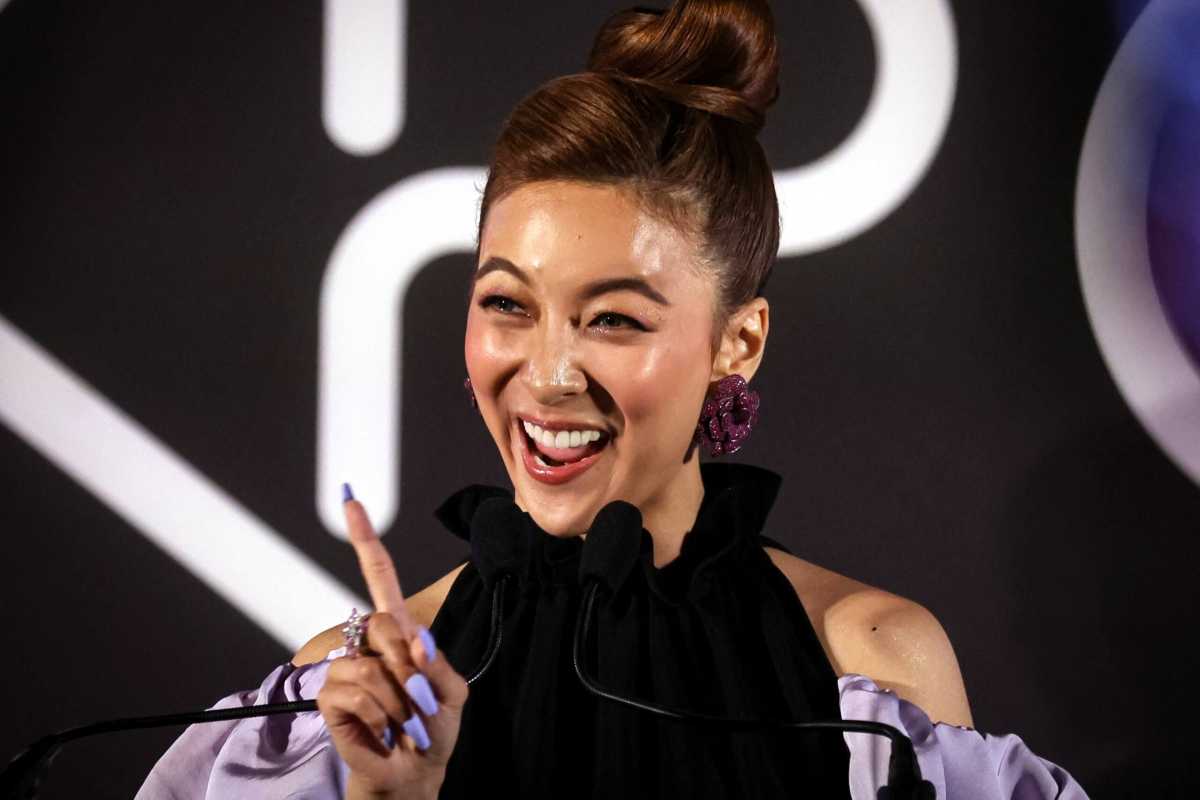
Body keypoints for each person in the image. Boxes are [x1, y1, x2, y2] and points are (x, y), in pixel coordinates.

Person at [138, 1, 1090, 797]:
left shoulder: (872, 673)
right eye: (507, 304)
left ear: (738, 342)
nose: (549, 374)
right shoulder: (348, 698)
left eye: (615, 320)